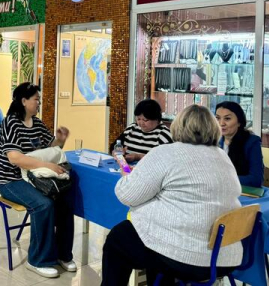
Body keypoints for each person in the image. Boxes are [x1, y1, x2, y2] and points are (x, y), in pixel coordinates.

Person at [101, 105, 243, 286]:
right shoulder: (222, 156)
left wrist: (126, 176)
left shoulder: (165, 152)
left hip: (185, 256)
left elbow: (128, 195)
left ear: (177, 127)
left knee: (118, 238)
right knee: (153, 239)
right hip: (224, 257)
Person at [0, 82, 75, 279]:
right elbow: (15, 158)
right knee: (43, 205)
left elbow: (50, 148)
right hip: (11, 181)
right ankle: (38, 260)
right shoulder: (11, 123)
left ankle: (63, 254)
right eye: (36, 99)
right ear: (24, 101)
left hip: (35, 179)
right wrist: (47, 166)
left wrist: (60, 140)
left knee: (65, 203)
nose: (39, 102)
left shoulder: (37, 123)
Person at [215, 101, 264, 188]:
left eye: (227, 119)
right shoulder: (214, 141)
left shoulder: (252, 142)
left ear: (239, 122)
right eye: (218, 118)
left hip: (242, 191)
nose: (221, 123)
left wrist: (225, 179)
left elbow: (256, 180)